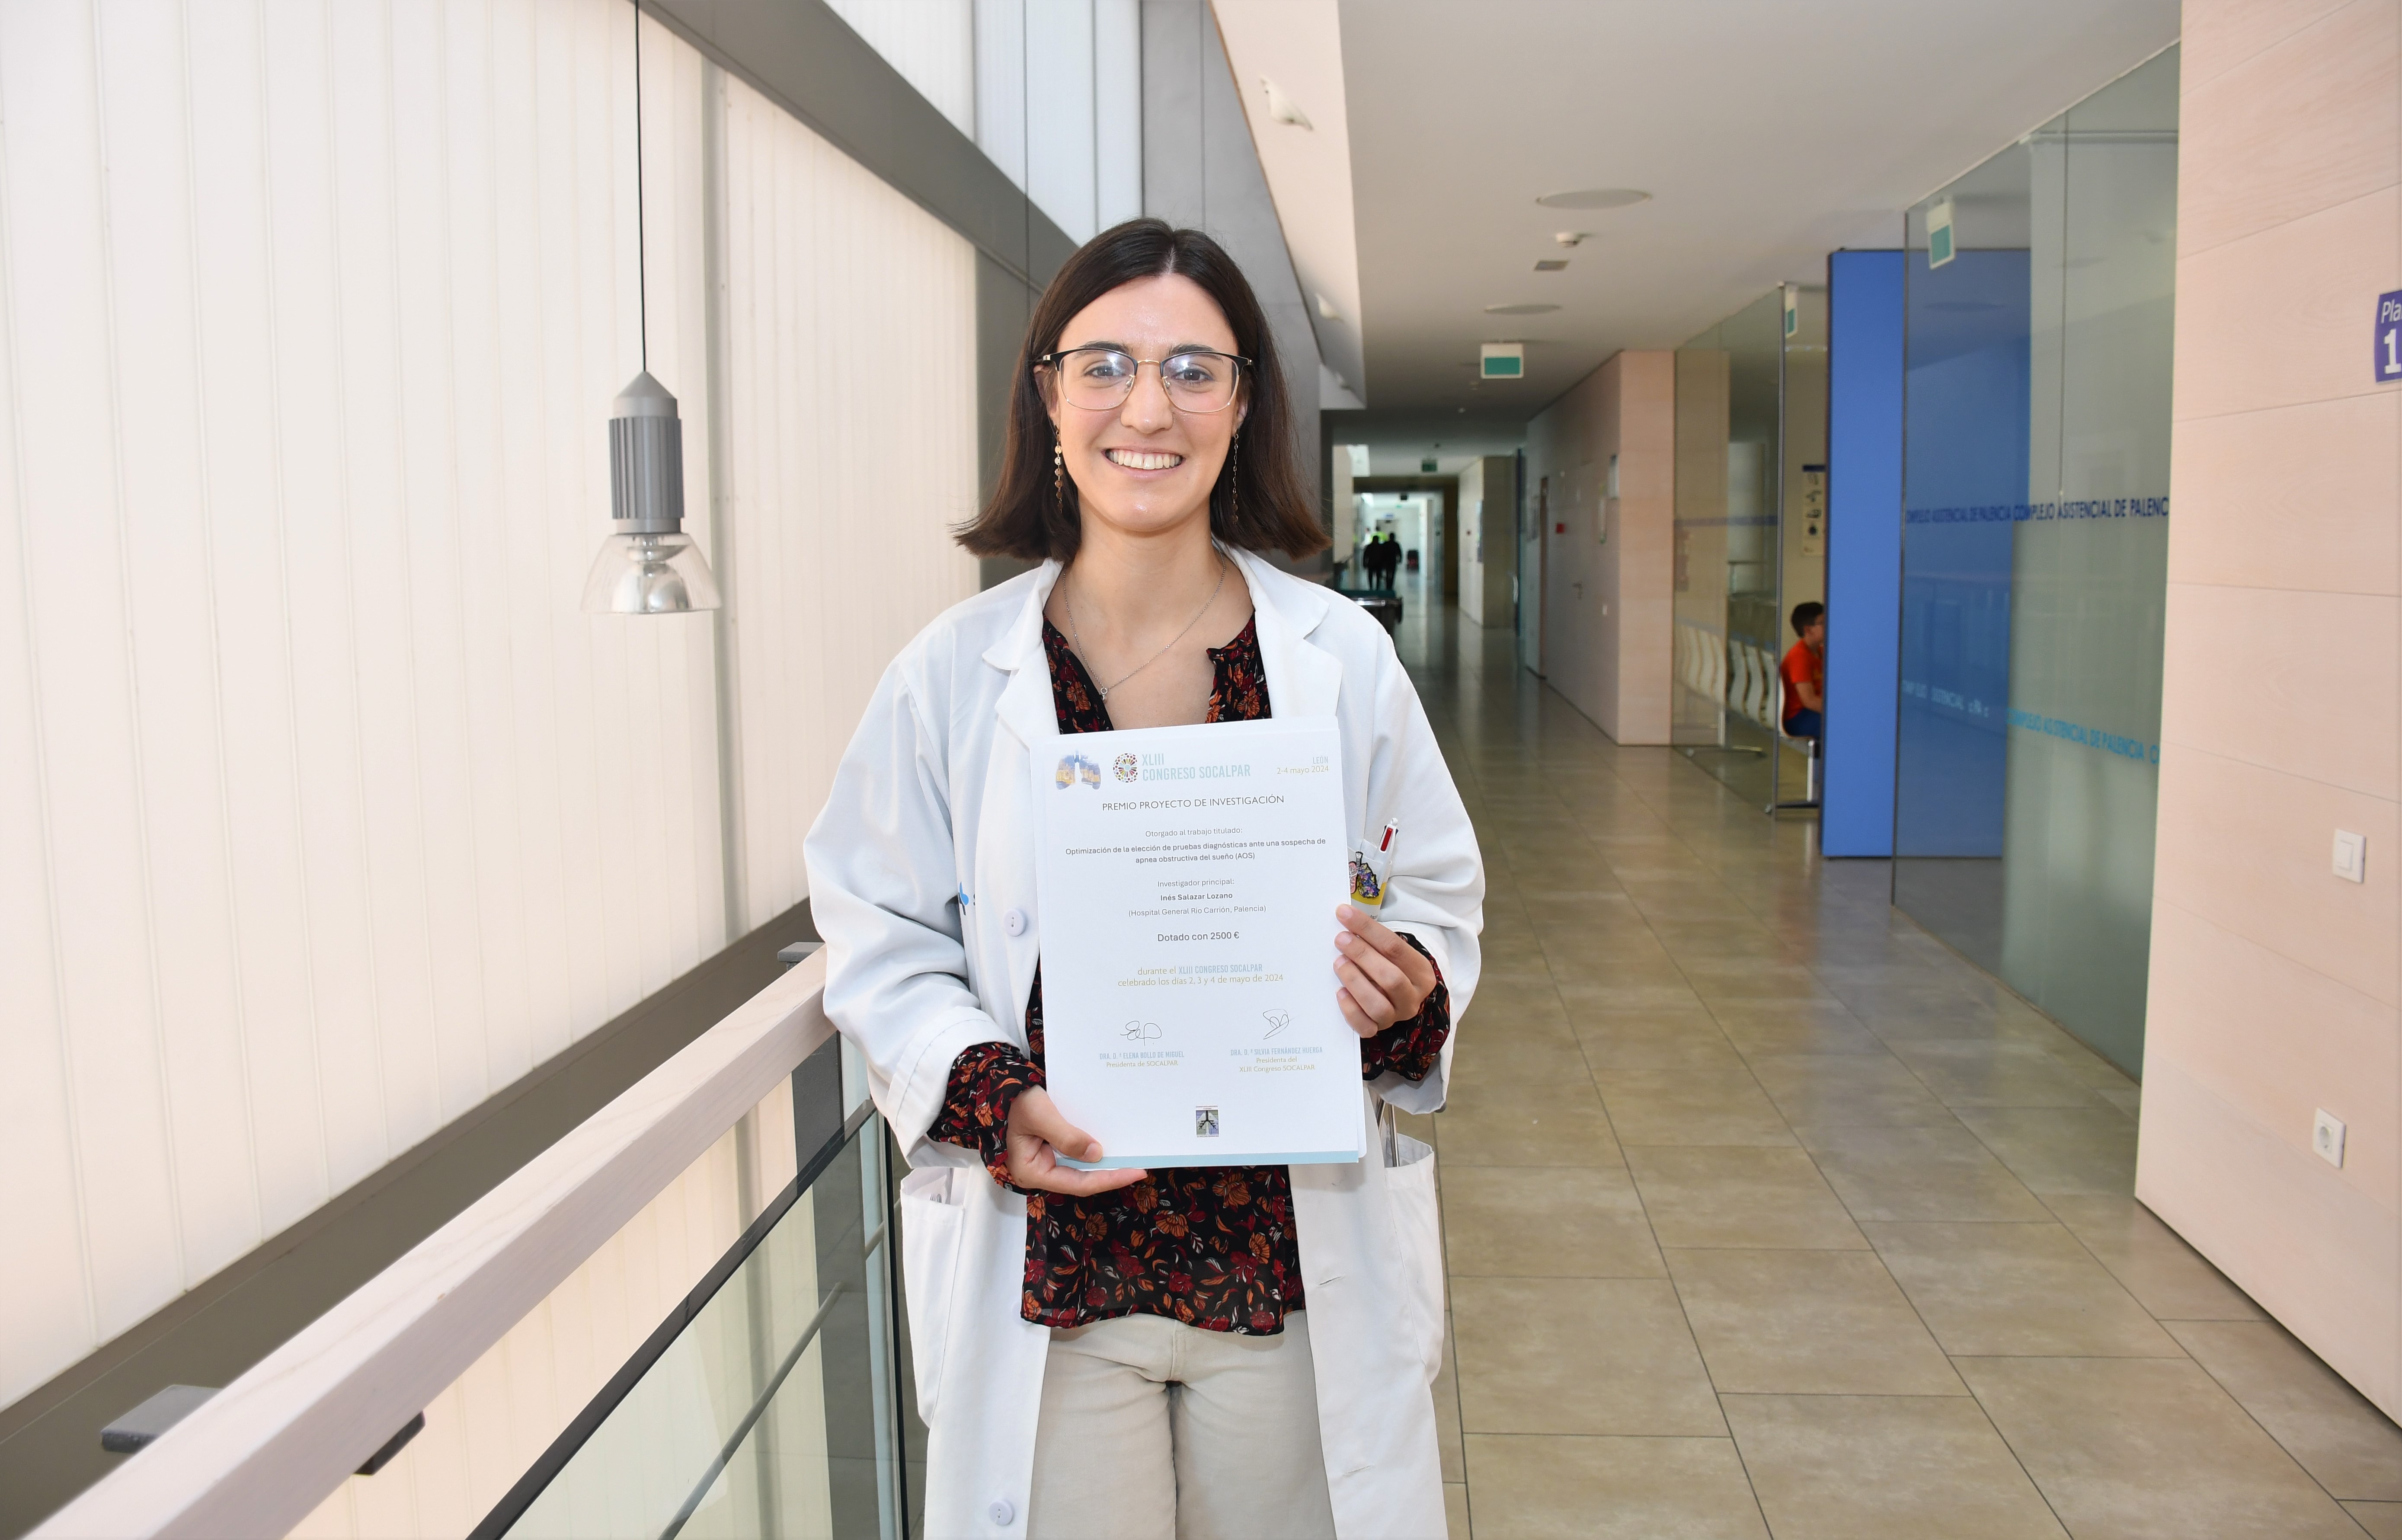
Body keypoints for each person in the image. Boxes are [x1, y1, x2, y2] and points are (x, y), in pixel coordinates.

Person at [804, 218, 1484, 1540]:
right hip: (1057, 1275)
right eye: (1105, 364)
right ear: (1048, 396)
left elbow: (1434, 896)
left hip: (1285, 1271)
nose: (1148, 408)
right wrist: (982, 1085)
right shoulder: (949, 676)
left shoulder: (1339, 657)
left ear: (1243, 403)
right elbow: (876, 928)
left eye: (1192, 369)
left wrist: (1405, 986)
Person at [1781, 600, 1826, 738]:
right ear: (1808, 630)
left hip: (1811, 711)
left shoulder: (1820, 652)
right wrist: (1839, 713)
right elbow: (1809, 701)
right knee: (1842, 725)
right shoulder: (1800, 657)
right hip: (1798, 717)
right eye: (1823, 623)